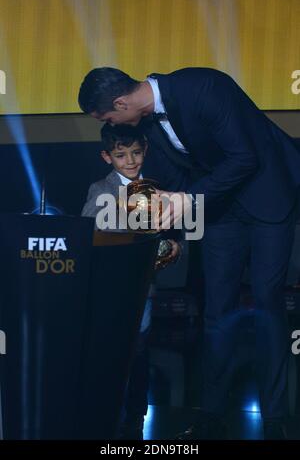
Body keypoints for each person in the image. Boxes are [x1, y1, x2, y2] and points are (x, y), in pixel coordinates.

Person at [78, 67, 300, 440]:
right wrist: (176, 231)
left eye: (108, 117)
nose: (113, 123)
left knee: (267, 301)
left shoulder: (203, 87)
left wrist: (190, 199)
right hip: (220, 210)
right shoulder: (146, 125)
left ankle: (275, 417)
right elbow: (177, 181)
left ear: (120, 103)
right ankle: (211, 414)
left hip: (268, 198)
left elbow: (244, 157)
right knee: (217, 308)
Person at [81, 122, 181, 440]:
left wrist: (173, 245)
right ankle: (105, 414)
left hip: (145, 285)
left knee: (138, 353)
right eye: (121, 155)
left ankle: (136, 417)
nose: (131, 160)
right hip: (110, 287)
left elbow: (176, 232)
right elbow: (88, 233)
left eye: (136, 153)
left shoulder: (160, 187)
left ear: (145, 151)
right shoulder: (100, 189)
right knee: (110, 353)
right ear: (107, 157)